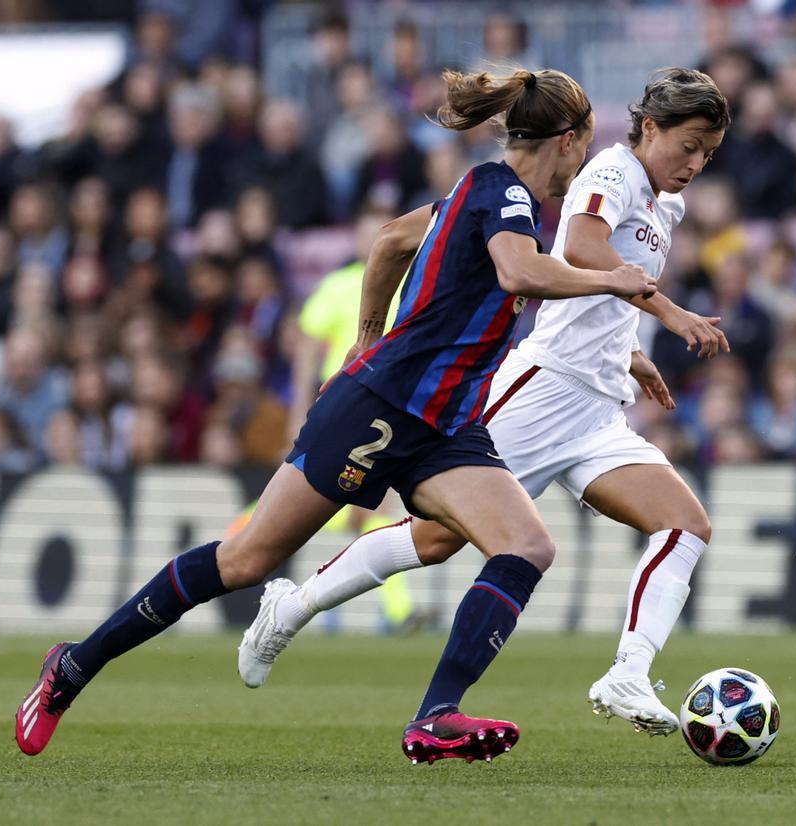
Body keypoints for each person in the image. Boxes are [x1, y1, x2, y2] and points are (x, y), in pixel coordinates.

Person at [16, 67, 657, 764]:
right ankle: (72, 668)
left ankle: (436, 716)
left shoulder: (477, 196)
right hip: (380, 410)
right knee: (247, 558)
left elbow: (386, 242)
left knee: (527, 546)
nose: (582, 169)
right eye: (586, 150)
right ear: (568, 141)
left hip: (444, 425)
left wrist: (366, 335)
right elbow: (518, 274)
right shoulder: (501, 193)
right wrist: (612, 279)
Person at [239, 69, 732, 737]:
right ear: (648, 128)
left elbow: (595, 287)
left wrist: (629, 352)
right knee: (438, 540)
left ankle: (628, 674)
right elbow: (585, 248)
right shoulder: (611, 172)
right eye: (690, 145)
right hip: (542, 390)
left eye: (709, 153)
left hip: (596, 408)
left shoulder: (663, 203)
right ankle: (292, 607)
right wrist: (671, 317)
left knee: (684, 526)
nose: (696, 164)